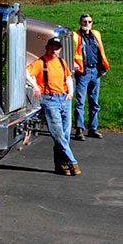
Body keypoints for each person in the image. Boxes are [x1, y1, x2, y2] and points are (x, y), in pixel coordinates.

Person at [27, 37, 79, 175]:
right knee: (58, 134)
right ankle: (72, 161)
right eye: (51, 47)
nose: (53, 50)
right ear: (46, 47)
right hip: (50, 100)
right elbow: (26, 72)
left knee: (65, 134)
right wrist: (35, 86)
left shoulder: (62, 62)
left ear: (60, 49)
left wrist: (71, 92)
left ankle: (61, 165)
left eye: (56, 48)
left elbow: (68, 78)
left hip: (64, 98)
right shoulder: (40, 62)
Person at [72, 13, 110, 140]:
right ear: (80, 22)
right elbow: (70, 52)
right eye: (84, 22)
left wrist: (102, 68)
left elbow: (100, 52)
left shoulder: (96, 35)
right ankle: (79, 129)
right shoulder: (75, 36)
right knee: (80, 102)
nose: (87, 24)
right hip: (83, 72)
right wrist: (73, 64)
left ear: (92, 23)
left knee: (94, 102)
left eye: (89, 21)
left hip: (95, 71)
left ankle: (93, 128)